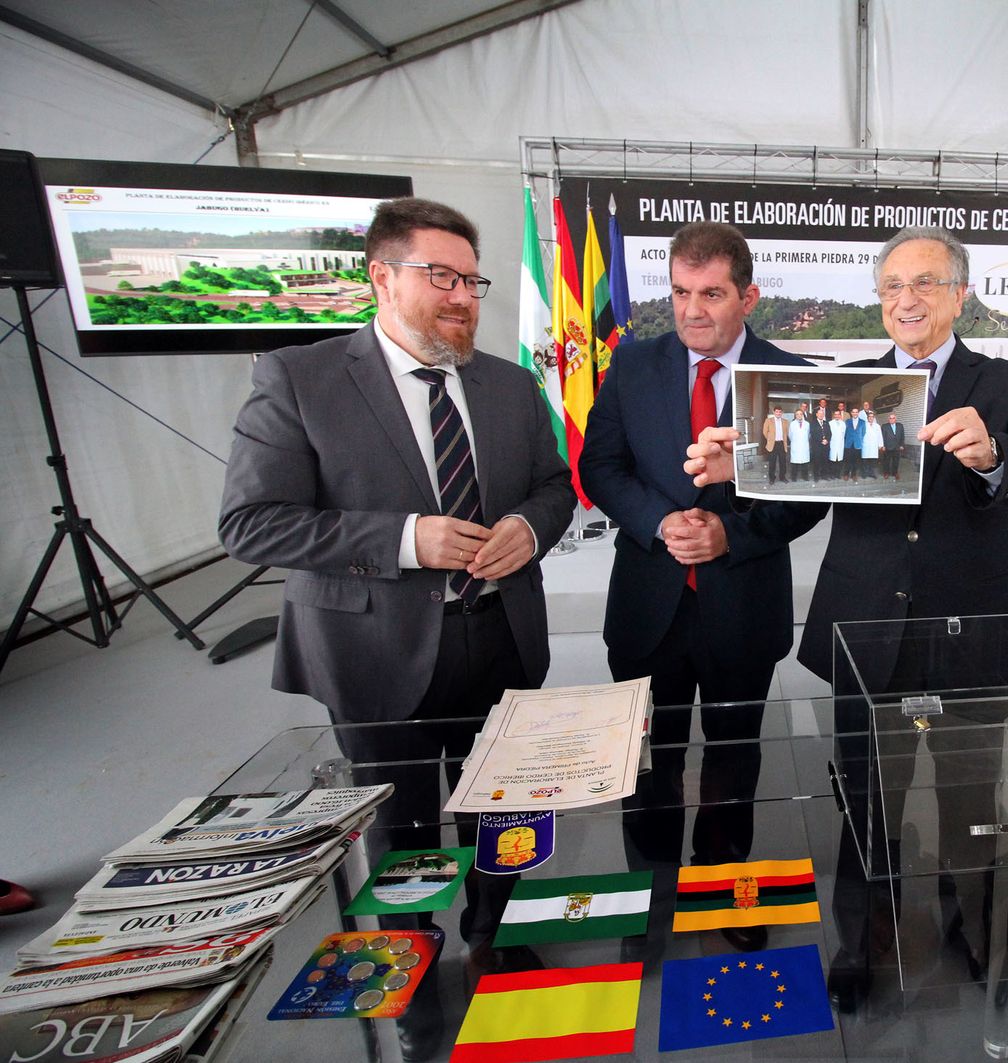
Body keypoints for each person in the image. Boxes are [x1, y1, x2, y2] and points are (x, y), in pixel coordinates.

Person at [219, 197, 575, 1059]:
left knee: (506, 812)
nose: (462, 296)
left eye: (472, 279)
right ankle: (409, 974)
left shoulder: (508, 383)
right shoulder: (298, 377)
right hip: (376, 654)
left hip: (500, 640)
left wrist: (529, 530)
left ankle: (497, 931)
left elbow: (554, 486)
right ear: (381, 276)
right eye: (440, 276)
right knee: (402, 829)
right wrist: (403, 540)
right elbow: (252, 523)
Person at [687, 225, 1008, 1012]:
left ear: (959, 295)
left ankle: (982, 934)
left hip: (974, 633)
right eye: (893, 286)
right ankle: (862, 941)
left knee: (973, 802)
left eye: (926, 283)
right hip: (866, 632)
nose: (907, 299)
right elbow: (798, 485)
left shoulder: (1006, 383)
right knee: (865, 803)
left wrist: (994, 454)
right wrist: (743, 471)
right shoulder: (843, 386)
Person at [578, 223, 825, 935]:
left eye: (711, 294)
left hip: (742, 605)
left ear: (747, 295)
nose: (692, 310)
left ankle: (724, 886)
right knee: (649, 762)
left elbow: (810, 495)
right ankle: (649, 896)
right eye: (680, 292)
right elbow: (601, 468)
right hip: (647, 605)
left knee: (733, 755)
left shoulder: (792, 377)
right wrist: (662, 522)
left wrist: (730, 534)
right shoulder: (632, 364)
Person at [762, 404, 788, 484]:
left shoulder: (785, 421)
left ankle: (782, 477)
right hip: (772, 444)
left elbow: (786, 433)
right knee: (772, 463)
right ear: (774, 412)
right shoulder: (768, 420)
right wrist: (770, 440)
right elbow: (764, 432)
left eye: (780, 412)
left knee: (783, 462)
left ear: (782, 413)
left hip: (781, 444)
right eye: (777, 412)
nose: (778, 413)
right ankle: (772, 478)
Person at [787, 402, 813, 481]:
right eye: (797, 414)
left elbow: (809, 434)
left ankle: (805, 477)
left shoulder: (807, 424)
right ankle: (794, 477)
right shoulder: (792, 424)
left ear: (802, 415)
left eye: (800, 414)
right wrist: (795, 441)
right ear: (795, 415)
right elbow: (790, 435)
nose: (799, 415)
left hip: (804, 445)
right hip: (796, 445)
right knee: (795, 462)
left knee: (805, 462)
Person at [881, 410, 906, 480]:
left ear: (896, 419)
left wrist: (902, 445)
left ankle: (895, 473)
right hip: (887, 447)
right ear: (888, 419)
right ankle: (886, 473)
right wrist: (883, 446)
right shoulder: (884, 426)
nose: (892, 419)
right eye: (890, 418)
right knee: (886, 461)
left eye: (893, 418)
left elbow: (902, 436)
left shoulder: (900, 425)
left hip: (897, 447)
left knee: (896, 461)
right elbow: (882, 437)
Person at [842, 406, 865, 480]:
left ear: (858, 413)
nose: (855, 413)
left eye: (856, 412)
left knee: (856, 460)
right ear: (851, 413)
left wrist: (859, 440)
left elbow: (863, 433)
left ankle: (854, 474)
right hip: (848, 443)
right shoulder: (847, 421)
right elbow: (845, 433)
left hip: (857, 444)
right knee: (848, 460)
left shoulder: (862, 422)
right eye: (853, 412)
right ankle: (846, 474)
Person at [812, 403, 834, 479]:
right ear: (816, 414)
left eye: (822, 414)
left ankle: (824, 475)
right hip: (817, 446)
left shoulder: (826, 423)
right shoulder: (813, 423)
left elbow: (829, 433)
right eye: (819, 414)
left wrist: (827, 440)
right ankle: (816, 476)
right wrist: (821, 440)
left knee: (825, 461)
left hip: (825, 446)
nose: (821, 415)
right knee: (817, 462)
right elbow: (813, 434)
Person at [861, 409, 883, 478]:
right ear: (867, 418)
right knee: (865, 460)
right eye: (869, 417)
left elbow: (880, 436)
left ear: (874, 418)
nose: (871, 418)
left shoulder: (877, 426)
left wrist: (880, 445)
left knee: (873, 461)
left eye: (872, 417)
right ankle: (865, 473)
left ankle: (871, 473)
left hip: (874, 446)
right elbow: (861, 435)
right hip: (865, 445)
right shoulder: (864, 425)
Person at [829, 406, 847, 476]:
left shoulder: (843, 423)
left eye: (838, 414)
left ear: (840, 415)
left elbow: (844, 434)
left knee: (839, 460)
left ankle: (838, 474)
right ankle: (832, 474)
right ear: (834, 415)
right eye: (835, 414)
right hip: (832, 444)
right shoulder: (830, 423)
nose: (837, 416)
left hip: (840, 444)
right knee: (832, 460)